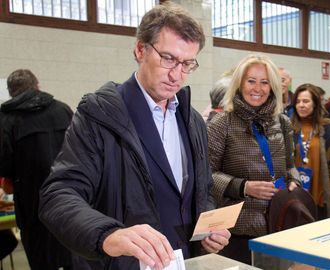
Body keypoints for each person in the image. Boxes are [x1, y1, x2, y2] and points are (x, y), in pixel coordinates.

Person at [38, 3, 230, 270]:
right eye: (168, 59)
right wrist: (108, 234)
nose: (177, 75)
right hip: (122, 264)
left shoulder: (193, 120)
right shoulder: (99, 114)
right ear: (140, 50)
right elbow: (58, 195)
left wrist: (207, 229)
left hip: (184, 260)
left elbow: (202, 189)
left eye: (187, 64)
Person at [207, 54, 300, 264]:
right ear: (240, 83)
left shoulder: (283, 123)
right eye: (251, 81)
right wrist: (243, 187)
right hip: (238, 229)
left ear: (272, 86)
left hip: (278, 222)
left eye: (264, 82)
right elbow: (205, 174)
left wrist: (294, 181)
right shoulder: (222, 123)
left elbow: (290, 166)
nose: (257, 88)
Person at [0, 69, 73, 270]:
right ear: (37, 85)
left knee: (41, 260)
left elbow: (4, 164)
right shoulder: (63, 110)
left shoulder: (6, 119)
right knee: (73, 253)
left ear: (11, 92)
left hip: (31, 203)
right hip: (70, 197)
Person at [290, 83, 330, 219]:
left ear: (315, 104)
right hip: (294, 192)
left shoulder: (328, 128)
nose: (301, 105)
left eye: (306, 101)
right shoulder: (288, 127)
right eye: (298, 101)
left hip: (320, 194)